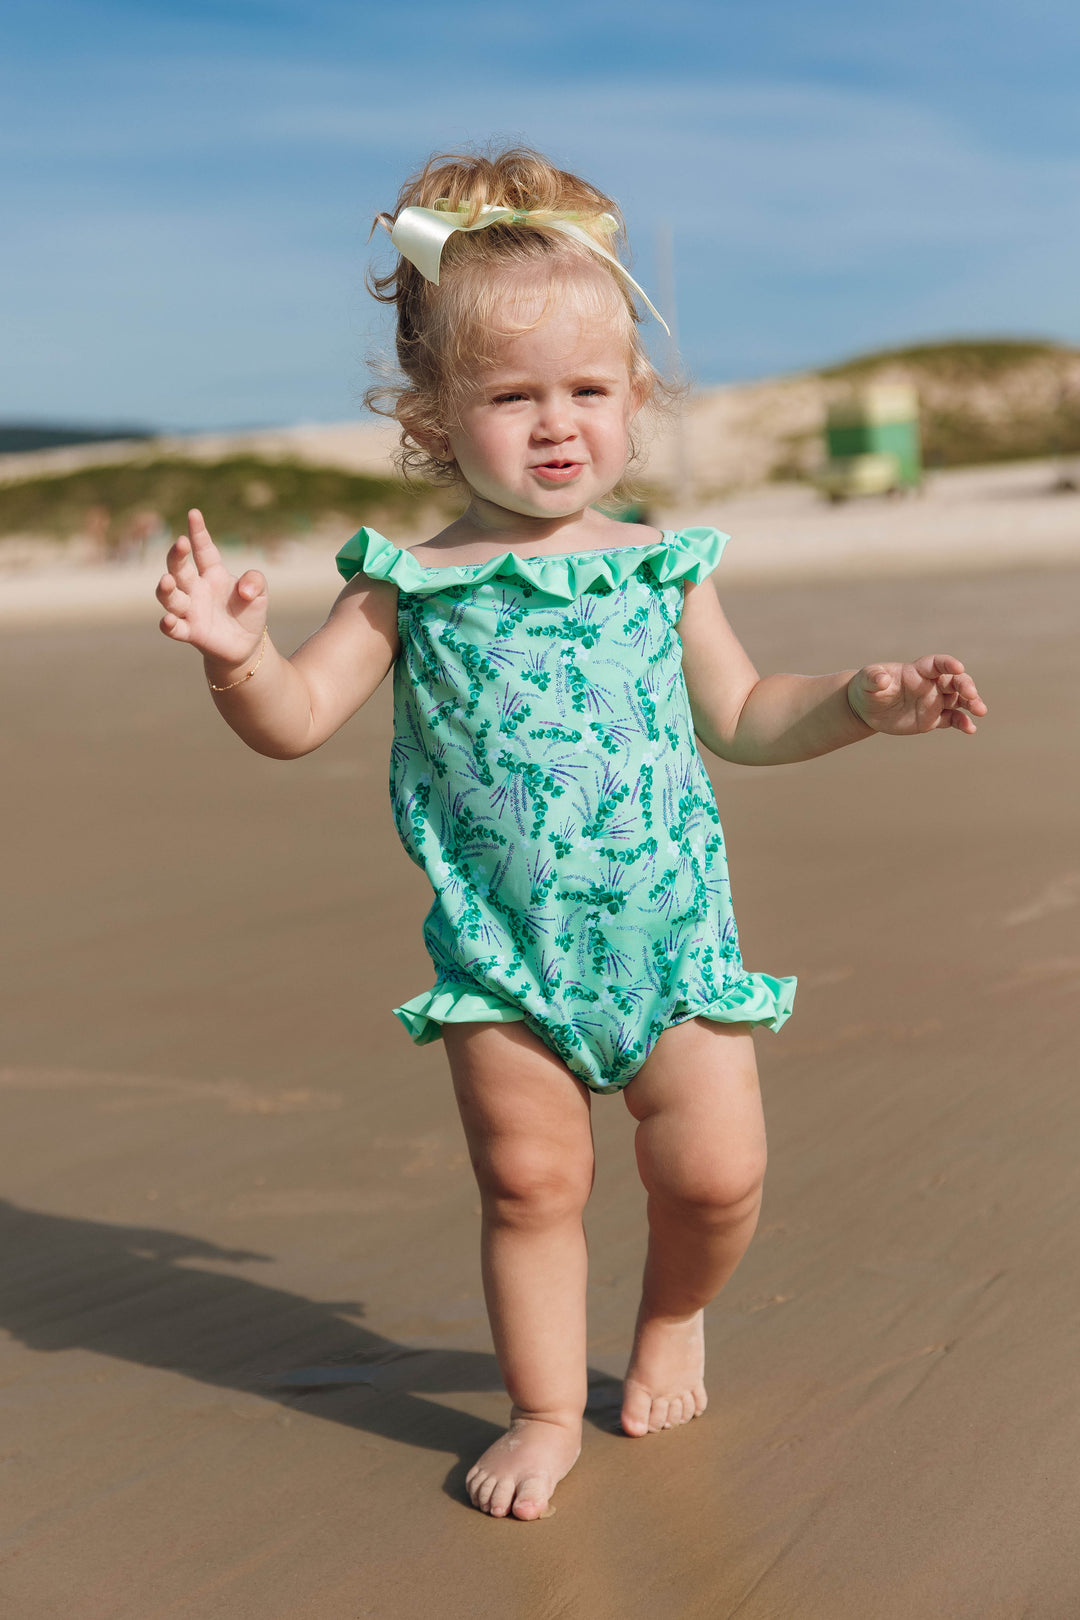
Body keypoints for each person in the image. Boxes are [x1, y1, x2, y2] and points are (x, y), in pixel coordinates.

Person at [155, 147, 987, 1522]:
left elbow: (745, 715)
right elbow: (296, 718)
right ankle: (544, 1408)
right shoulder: (409, 588)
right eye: (511, 395)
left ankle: (672, 1317)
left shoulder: (657, 564)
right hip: (508, 963)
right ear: (431, 415)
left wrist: (860, 701)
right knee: (533, 1186)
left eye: (588, 391)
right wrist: (237, 660)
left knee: (715, 1182)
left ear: (635, 400)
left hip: (673, 947)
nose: (557, 425)